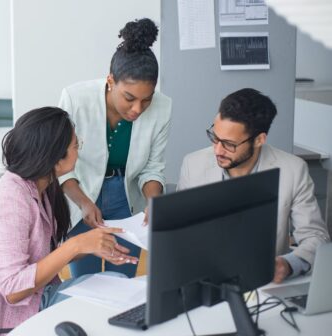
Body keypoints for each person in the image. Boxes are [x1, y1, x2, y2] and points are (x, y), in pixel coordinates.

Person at [0, 107, 136, 330]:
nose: (78, 151)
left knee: (116, 283)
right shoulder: (10, 200)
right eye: (75, 145)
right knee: (109, 303)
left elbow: (40, 258)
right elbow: (13, 290)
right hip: (1, 321)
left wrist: (88, 247)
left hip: (32, 301)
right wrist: (75, 245)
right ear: (55, 159)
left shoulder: (38, 187)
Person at [177, 88, 330, 283]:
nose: (217, 150)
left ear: (259, 140)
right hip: (205, 280)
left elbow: (316, 238)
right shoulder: (193, 165)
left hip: (264, 284)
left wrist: (288, 264)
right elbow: (180, 233)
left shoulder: (293, 170)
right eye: (215, 137)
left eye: (229, 144)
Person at [58, 18, 172, 278]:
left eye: (147, 100)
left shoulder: (164, 108)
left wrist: (155, 202)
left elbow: (153, 167)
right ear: (111, 80)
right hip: (81, 193)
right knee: (83, 280)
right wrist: (84, 202)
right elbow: (59, 163)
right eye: (129, 98)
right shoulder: (76, 99)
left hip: (127, 199)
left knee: (121, 277)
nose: (137, 109)